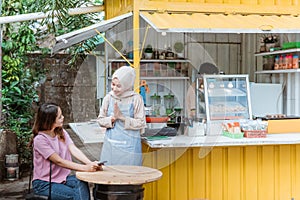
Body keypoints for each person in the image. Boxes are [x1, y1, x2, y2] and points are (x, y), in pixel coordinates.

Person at [30, 103, 102, 200]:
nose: (63, 118)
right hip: (44, 183)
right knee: (76, 195)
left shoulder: (61, 132)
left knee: (81, 181)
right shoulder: (40, 139)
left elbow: (73, 149)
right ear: (50, 121)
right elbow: (59, 161)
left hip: (62, 179)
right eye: (59, 117)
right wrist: (85, 168)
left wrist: (91, 163)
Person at [97, 66, 146, 166]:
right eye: (113, 84)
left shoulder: (136, 99)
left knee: (129, 177)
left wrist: (122, 117)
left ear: (127, 85)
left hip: (130, 148)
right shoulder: (108, 98)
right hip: (111, 146)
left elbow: (141, 123)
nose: (114, 88)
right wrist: (112, 119)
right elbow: (100, 120)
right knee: (110, 177)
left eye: (119, 86)